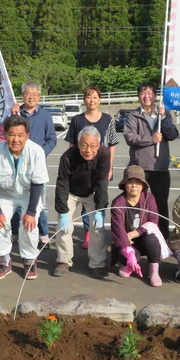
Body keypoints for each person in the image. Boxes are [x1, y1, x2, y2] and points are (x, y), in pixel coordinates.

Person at [0, 115, 50, 281]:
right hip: (5, 194)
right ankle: (4, 261)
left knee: (29, 225)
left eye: (20, 135)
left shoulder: (36, 151)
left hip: (28, 195)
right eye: (12, 134)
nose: (16, 139)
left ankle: (29, 259)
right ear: (4, 134)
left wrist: (31, 212)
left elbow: (38, 184)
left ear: (27, 135)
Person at [124, 81, 180, 238]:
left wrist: (164, 117)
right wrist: (151, 139)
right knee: (138, 203)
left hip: (160, 168)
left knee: (161, 203)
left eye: (149, 93)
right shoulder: (133, 116)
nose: (146, 96)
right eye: (142, 93)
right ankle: (138, 234)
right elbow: (130, 137)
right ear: (138, 96)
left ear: (155, 96)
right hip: (139, 168)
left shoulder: (163, 114)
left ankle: (162, 235)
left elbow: (173, 135)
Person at [65, 87, 119, 249]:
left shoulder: (108, 119)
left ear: (100, 100)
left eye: (95, 97)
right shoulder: (77, 120)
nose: (92, 100)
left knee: (99, 198)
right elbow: (72, 145)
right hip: (81, 167)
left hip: (101, 166)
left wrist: (110, 166)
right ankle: (88, 233)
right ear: (84, 100)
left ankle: (98, 230)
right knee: (83, 199)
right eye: (89, 97)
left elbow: (112, 144)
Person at [53, 126, 111, 279]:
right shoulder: (67, 157)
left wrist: (100, 209)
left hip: (92, 192)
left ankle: (97, 264)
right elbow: (62, 184)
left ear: (98, 146)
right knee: (63, 227)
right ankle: (64, 261)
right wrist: (63, 212)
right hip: (71, 192)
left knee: (97, 227)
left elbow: (102, 183)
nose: (88, 150)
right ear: (78, 144)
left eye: (93, 146)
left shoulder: (104, 154)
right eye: (84, 145)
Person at [10, 82, 57, 245]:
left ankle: (43, 232)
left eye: (35, 94)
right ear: (23, 95)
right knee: (16, 197)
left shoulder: (45, 115)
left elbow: (52, 139)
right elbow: (5, 133)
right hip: (17, 161)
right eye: (28, 93)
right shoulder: (15, 113)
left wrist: (39, 154)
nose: (32, 97)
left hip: (38, 164)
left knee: (41, 202)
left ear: (39, 96)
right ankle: (15, 230)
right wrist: (12, 115)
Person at [110, 165, 164, 286]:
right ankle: (128, 263)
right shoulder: (118, 202)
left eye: (138, 182)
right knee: (124, 268)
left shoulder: (149, 198)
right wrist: (129, 252)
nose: (134, 185)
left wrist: (135, 233)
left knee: (152, 238)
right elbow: (117, 229)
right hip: (127, 241)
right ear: (125, 184)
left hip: (144, 237)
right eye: (130, 182)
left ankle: (154, 270)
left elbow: (153, 221)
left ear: (143, 185)